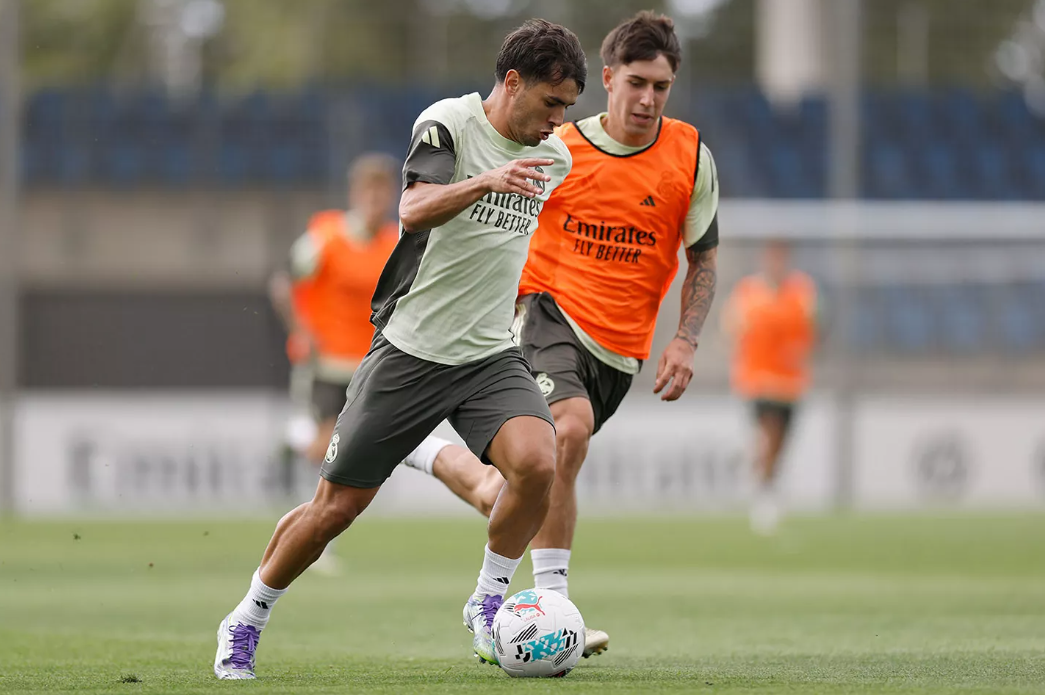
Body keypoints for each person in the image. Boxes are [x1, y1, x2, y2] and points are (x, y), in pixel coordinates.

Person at [213, 19, 586, 679]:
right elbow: (412, 210)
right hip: (408, 353)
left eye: (568, 109)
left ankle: (488, 599)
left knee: (537, 462)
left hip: (487, 357)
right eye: (551, 103)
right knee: (335, 509)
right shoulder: (447, 123)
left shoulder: (553, 158)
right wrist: (486, 181)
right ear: (511, 82)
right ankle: (247, 615)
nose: (558, 122)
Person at [400, 11, 720, 660]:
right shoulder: (558, 147)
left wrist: (684, 339)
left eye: (661, 86)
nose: (648, 98)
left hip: (620, 348)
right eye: (636, 82)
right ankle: (544, 607)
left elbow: (703, 258)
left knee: (518, 486)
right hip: (547, 313)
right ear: (606, 79)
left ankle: (427, 450)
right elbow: (484, 218)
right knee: (565, 430)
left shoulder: (689, 157)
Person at [267, 153, 401, 573]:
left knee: (350, 453)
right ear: (356, 194)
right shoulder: (326, 236)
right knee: (327, 448)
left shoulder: (396, 241)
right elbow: (283, 281)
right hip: (325, 362)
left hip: (368, 365)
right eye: (370, 190)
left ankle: (297, 448)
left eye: (385, 191)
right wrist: (301, 331)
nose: (378, 199)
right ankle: (313, 537)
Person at [721, 239, 818, 535]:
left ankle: (766, 483)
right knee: (769, 433)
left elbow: (816, 327)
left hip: (790, 382)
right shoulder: (748, 292)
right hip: (759, 380)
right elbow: (731, 327)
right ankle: (764, 497)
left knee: (780, 444)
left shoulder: (802, 291)